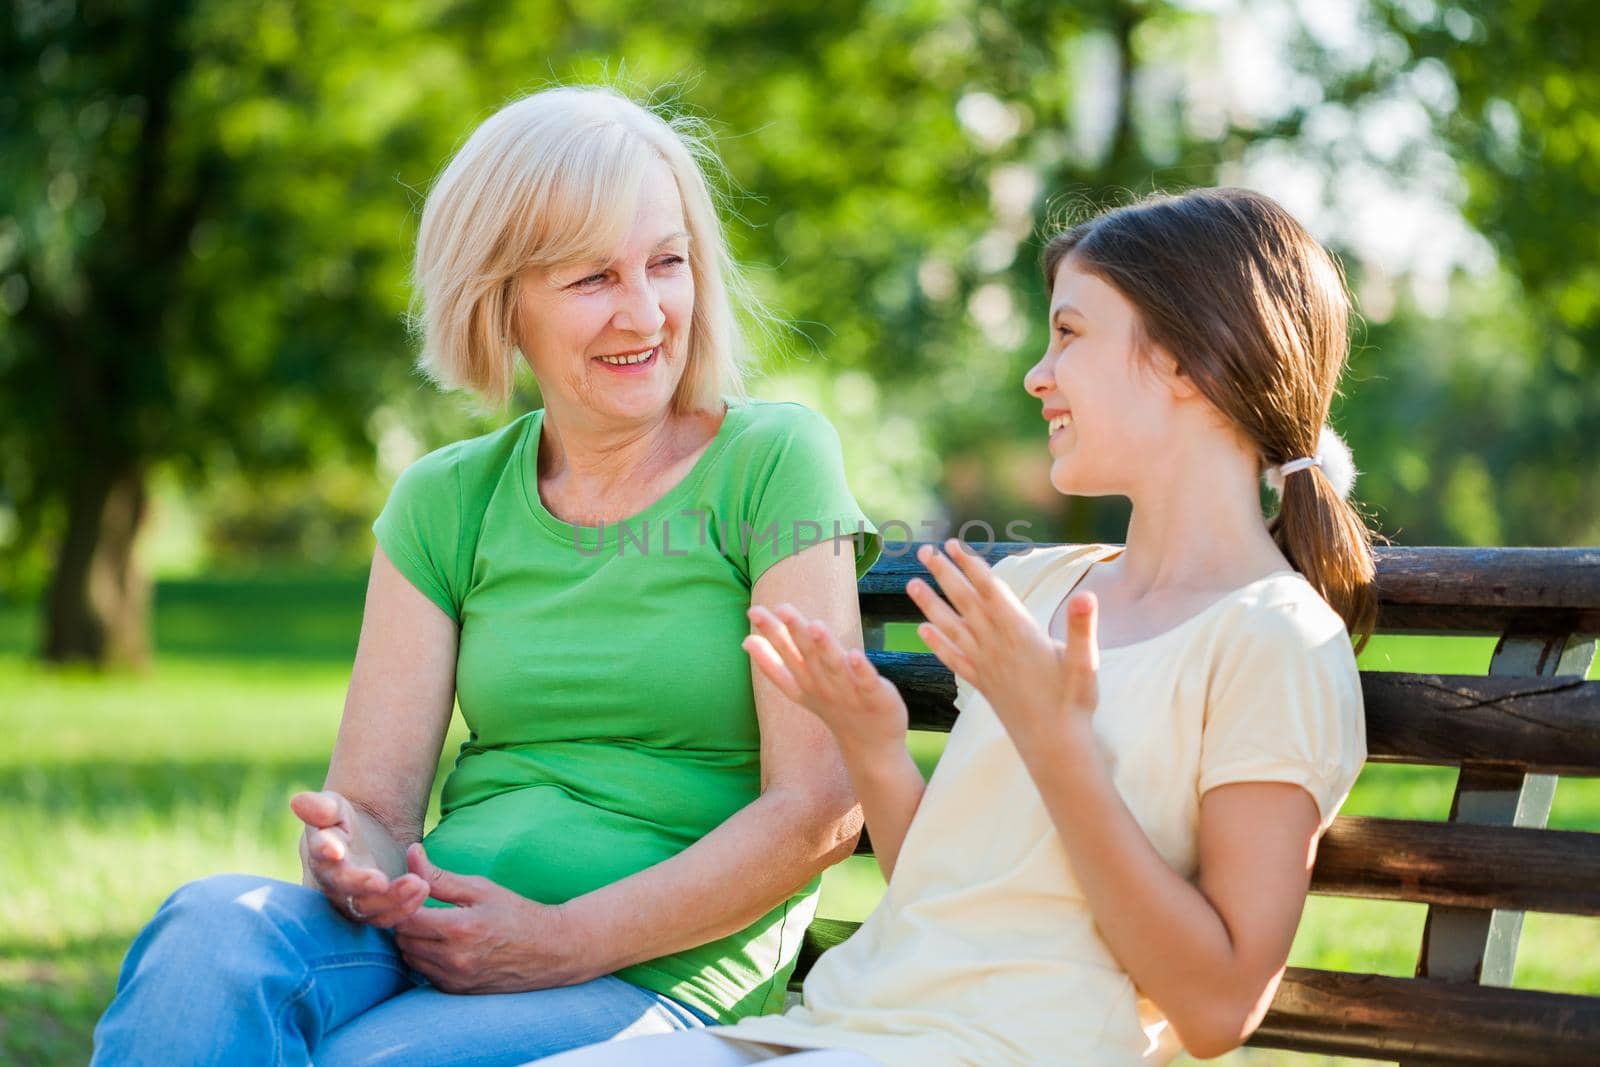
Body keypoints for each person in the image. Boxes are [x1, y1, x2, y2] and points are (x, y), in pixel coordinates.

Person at [92, 86, 882, 1066]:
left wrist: (559, 940)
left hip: (650, 981)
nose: (645, 311)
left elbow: (819, 805)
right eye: (593, 276)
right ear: (500, 300)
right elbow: (375, 812)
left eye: (667, 262)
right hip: (430, 939)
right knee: (210, 925)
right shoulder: (446, 499)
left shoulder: (773, 460)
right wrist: (353, 864)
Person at [540, 187, 1374, 1067]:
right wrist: (875, 747)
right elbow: (955, 898)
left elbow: (1214, 1009)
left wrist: (1059, 743)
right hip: (835, 1032)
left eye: (1072, 333)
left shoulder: (1276, 642)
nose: (1037, 372)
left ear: (1182, 360)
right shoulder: (1037, 587)